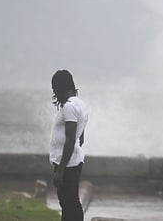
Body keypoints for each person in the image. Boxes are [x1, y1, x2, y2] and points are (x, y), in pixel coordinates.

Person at [50, 70, 89, 221]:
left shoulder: (69, 107)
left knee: (69, 203)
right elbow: (81, 138)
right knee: (69, 202)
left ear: (59, 87)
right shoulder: (80, 104)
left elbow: (71, 139)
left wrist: (61, 170)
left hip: (67, 164)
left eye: (54, 88)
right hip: (73, 160)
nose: (54, 93)